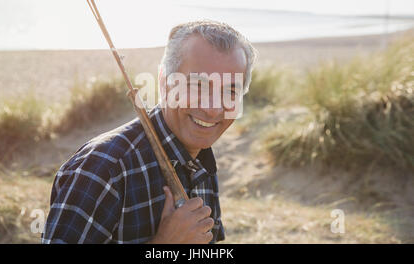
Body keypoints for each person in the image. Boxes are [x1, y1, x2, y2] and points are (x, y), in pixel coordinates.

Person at [42, 20, 257, 244]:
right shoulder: (103, 169)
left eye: (230, 90)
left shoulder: (199, 158)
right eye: (197, 85)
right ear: (164, 82)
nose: (212, 109)